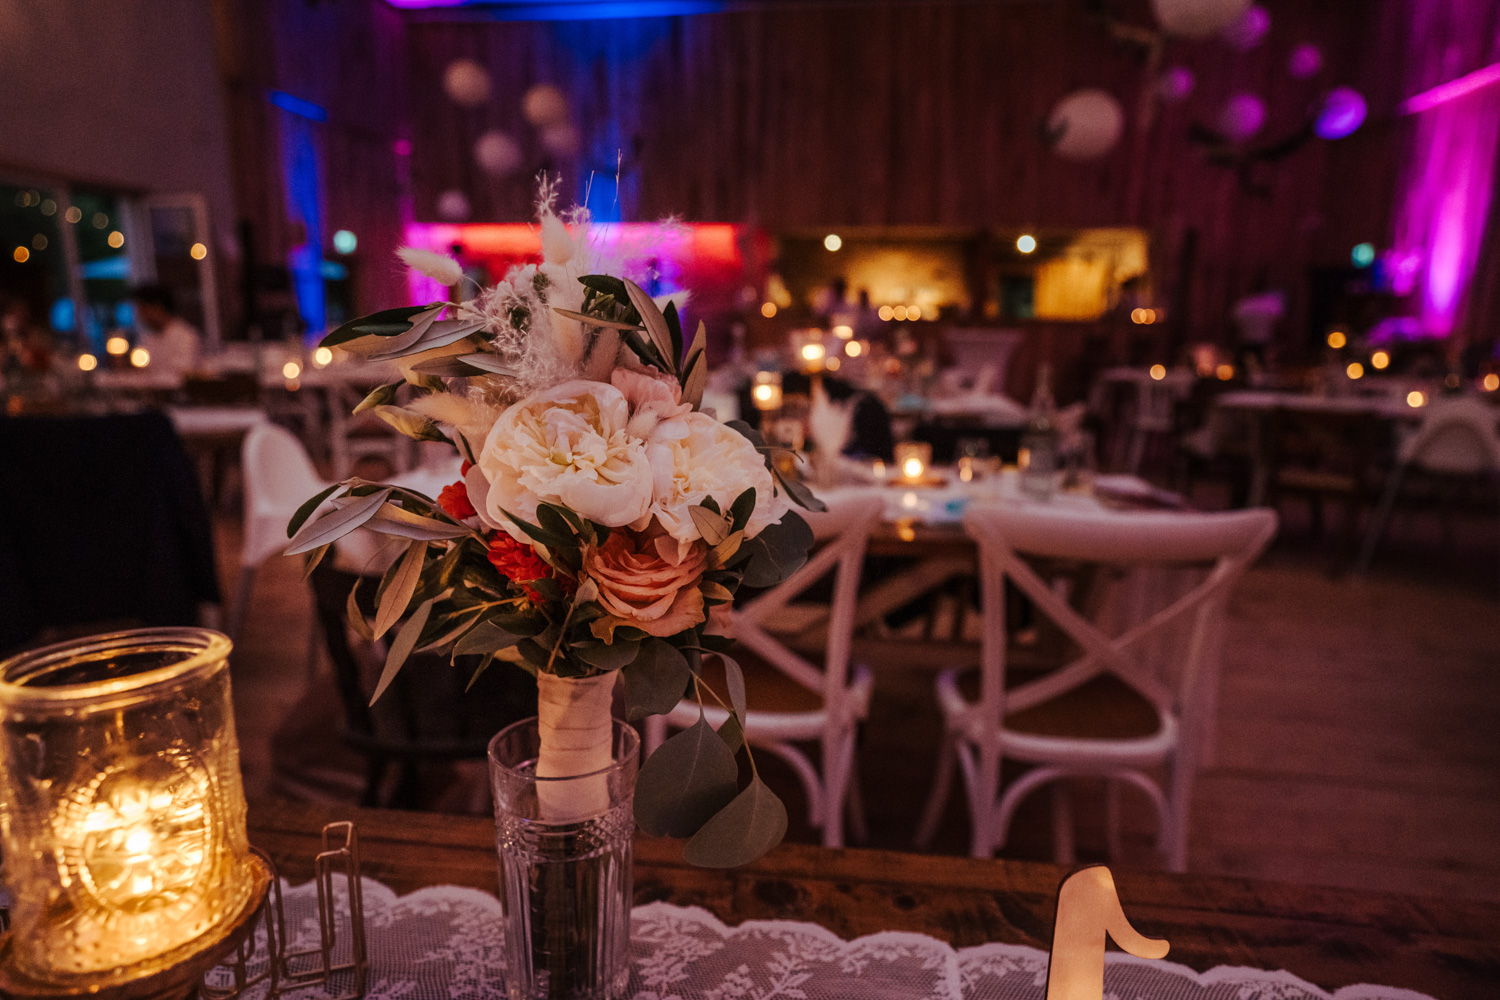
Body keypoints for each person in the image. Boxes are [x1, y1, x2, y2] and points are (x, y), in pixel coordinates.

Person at [133, 284, 201, 375]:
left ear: (158, 308)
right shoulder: (148, 337)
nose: (140, 315)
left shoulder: (186, 336)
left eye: (143, 309)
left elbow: (182, 374)